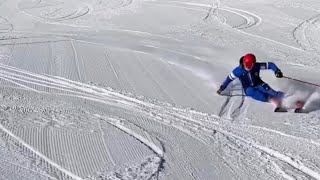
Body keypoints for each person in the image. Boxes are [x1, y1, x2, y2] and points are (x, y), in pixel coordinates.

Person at [217, 53, 284, 107]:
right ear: (243, 63)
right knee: (254, 93)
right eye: (247, 65)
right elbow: (228, 79)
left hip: (259, 84)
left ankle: (288, 98)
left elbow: (270, 65)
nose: (249, 67)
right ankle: (272, 100)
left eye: (251, 65)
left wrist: (277, 71)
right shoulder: (238, 71)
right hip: (248, 87)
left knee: (272, 92)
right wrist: (222, 87)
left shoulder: (256, 66)